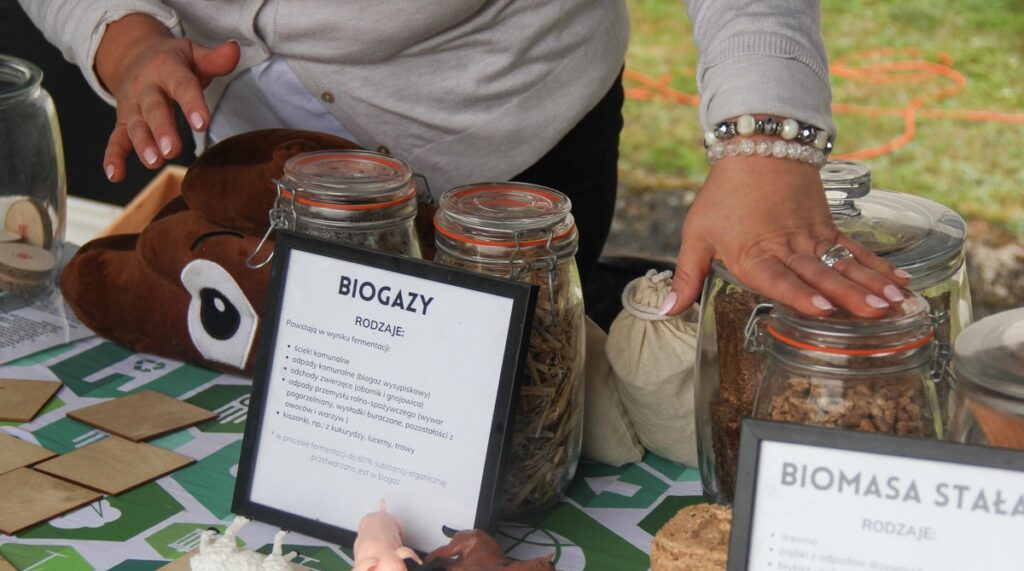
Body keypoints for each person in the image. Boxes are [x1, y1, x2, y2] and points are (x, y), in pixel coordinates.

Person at [19, 0, 909, 319]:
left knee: (525, 411)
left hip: (512, 141)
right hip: (254, 168)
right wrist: (121, 35)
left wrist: (764, 145)